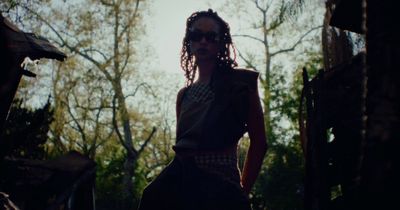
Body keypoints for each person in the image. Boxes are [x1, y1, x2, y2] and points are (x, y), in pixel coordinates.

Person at [138, 9, 267, 210]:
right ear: (189, 42)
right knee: (150, 196)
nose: (203, 41)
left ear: (221, 42)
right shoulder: (184, 95)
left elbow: (259, 142)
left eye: (211, 36)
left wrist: (242, 191)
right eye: (196, 36)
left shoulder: (241, 85)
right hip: (181, 183)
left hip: (220, 183)